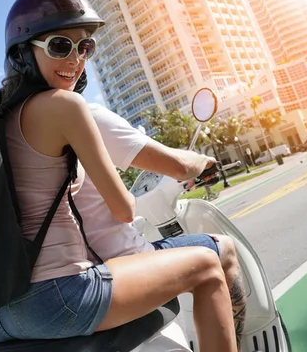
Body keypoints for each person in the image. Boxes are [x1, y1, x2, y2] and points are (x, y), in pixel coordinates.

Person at [0, 0, 238, 352]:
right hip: (58, 298)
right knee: (208, 267)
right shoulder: (66, 107)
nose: (76, 59)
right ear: (23, 53)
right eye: (59, 46)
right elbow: (123, 208)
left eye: (85, 46)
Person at [75, 103, 246, 346]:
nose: (76, 62)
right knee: (223, 251)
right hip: (110, 267)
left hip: (45, 287)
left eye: (84, 60)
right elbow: (177, 166)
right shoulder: (83, 114)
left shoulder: (16, 131)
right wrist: (202, 160)